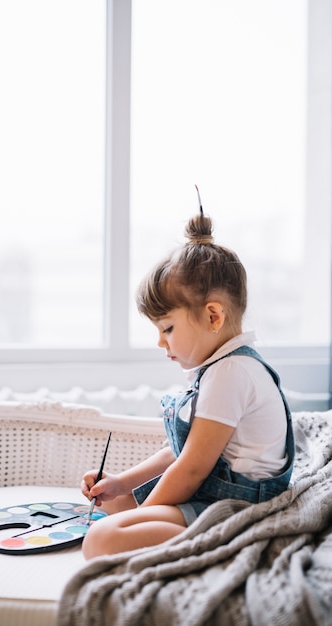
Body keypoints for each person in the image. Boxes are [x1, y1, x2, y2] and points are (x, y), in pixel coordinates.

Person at [81, 192, 294, 560]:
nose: (161, 342)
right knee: (114, 506)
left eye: (167, 328)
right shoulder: (220, 368)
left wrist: (140, 515)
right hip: (214, 495)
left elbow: (192, 468)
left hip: (236, 508)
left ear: (213, 316)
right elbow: (180, 453)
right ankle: (141, 523)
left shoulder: (231, 373)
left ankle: (221, 546)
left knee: (101, 539)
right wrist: (121, 483)